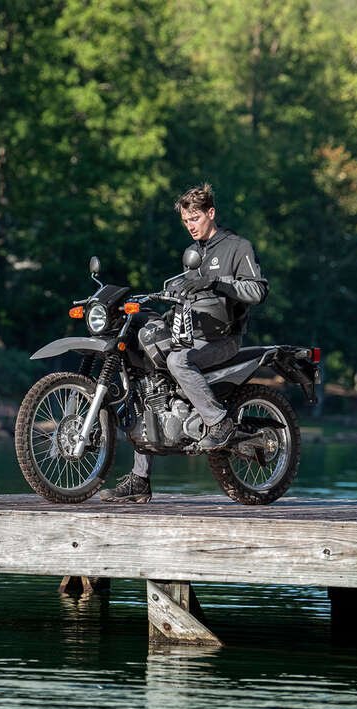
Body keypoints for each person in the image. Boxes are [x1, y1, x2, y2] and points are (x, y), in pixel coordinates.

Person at [100, 183, 269, 503]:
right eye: (185, 221)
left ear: (211, 213)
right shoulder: (193, 254)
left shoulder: (237, 247)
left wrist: (217, 282)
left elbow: (257, 291)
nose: (190, 225)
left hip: (223, 339)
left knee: (178, 361)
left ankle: (219, 423)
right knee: (146, 377)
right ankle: (140, 479)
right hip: (190, 337)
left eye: (195, 218)